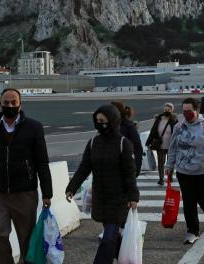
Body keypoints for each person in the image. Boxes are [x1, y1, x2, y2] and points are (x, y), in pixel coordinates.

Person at [0, 88, 53, 264]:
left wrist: (47, 193)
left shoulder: (34, 127)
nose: (10, 105)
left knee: (26, 240)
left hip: (25, 194)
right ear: (0, 104)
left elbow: (42, 162)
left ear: (21, 105)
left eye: (14, 102)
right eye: (6, 102)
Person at [65, 105, 140, 264]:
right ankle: (125, 258)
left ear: (112, 121)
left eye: (103, 121)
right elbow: (84, 168)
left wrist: (133, 196)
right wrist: (72, 187)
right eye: (97, 121)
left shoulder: (123, 143)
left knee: (107, 239)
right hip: (100, 197)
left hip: (119, 199)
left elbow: (129, 173)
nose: (99, 124)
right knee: (112, 237)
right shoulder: (93, 142)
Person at [166, 98, 204, 245]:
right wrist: (169, 165)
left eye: (190, 111)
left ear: (197, 111)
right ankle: (192, 231)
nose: (187, 114)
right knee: (189, 202)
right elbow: (173, 148)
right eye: (184, 112)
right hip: (184, 172)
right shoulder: (179, 127)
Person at [145, 103, 178, 185]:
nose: (166, 111)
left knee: (170, 162)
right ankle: (161, 178)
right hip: (160, 144)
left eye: (168, 110)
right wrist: (148, 142)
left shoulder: (174, 119)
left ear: (172, 110)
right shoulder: (159, 118)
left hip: (171, 145)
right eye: (165, 110)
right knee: (161, 162)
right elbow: (153, 130)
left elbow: (178, 132)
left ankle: (170, 176)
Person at [111, 101, 142, 177]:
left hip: (124, 165)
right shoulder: (107, 126)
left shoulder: (128, 126)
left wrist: (137, 168)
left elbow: (137, 147)